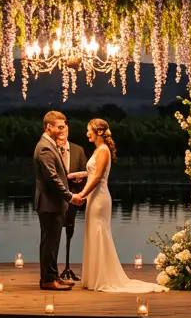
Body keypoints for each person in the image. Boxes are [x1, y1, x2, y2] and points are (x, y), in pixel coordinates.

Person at [71, 119, 162, 293]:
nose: (86, 133)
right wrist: (80, 174)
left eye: (88, 130)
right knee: (93, 233)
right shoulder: (98, 150)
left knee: (99, 233)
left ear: (97, 132)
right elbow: (93, 172)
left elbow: (98, 178)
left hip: (99, 198)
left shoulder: (103, 150)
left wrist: (81, 194)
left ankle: (102, 277)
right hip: (94, 197)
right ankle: (93, 277)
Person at [33, 111, 77, 290]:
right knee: (50, 243)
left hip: (53, 203)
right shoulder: (44, 147)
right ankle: (48, 280)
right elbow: (52, 177)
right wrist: (70, 196)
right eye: (59, 127)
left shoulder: (50, 145)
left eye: (64, 126)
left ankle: (52, 276)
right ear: (48, 127)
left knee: (53, 242)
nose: (62, 130)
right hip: (49, 203)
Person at [57, 121, 88, 281]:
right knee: (54, 232)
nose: (63, 133)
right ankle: (52, 271)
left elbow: (86, 172)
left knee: (70, 229)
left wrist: (79, 181)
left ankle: (68, 267)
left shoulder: (78, 150)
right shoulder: (51, 149)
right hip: (55, 198)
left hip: (73, 197)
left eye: (65, 130)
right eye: (60, 129)